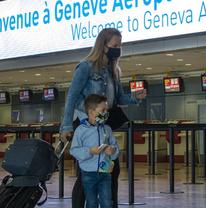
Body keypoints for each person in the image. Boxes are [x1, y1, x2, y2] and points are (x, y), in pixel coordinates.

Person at [60, 28, 146, 208]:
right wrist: (66, 126)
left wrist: (135, 97)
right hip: (86, 123)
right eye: (115, 45)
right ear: (103, 45)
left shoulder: (114, 71)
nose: (118, 49)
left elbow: (119, 99)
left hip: (104, 125)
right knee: (88, 171)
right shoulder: (85, 67)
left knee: (110, 169)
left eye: (120, 46)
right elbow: (72, 97)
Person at [70, 94, 119, 208]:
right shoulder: (81, 130)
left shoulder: (107, 129)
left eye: (107, 110)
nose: (106, 112)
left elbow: (115, 148)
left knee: (107, 202)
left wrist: (112, 151)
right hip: (88, 173)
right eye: (103, 110)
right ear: (91, 112)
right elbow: (74, 150)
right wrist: (90, 151)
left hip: (105, 171)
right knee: (91, 202)